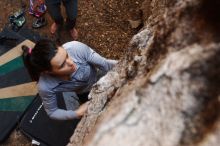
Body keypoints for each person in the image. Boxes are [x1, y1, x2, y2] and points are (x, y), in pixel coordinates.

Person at [22, 39, 117, 120]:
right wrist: (76, 113)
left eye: (66, 55)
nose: (71, 62)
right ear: (48, 72)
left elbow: (106, 65)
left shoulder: (75, 48)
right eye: (62, 65)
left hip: (99, 74)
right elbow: (52, 112)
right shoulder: (45, 86)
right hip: (83, 92)